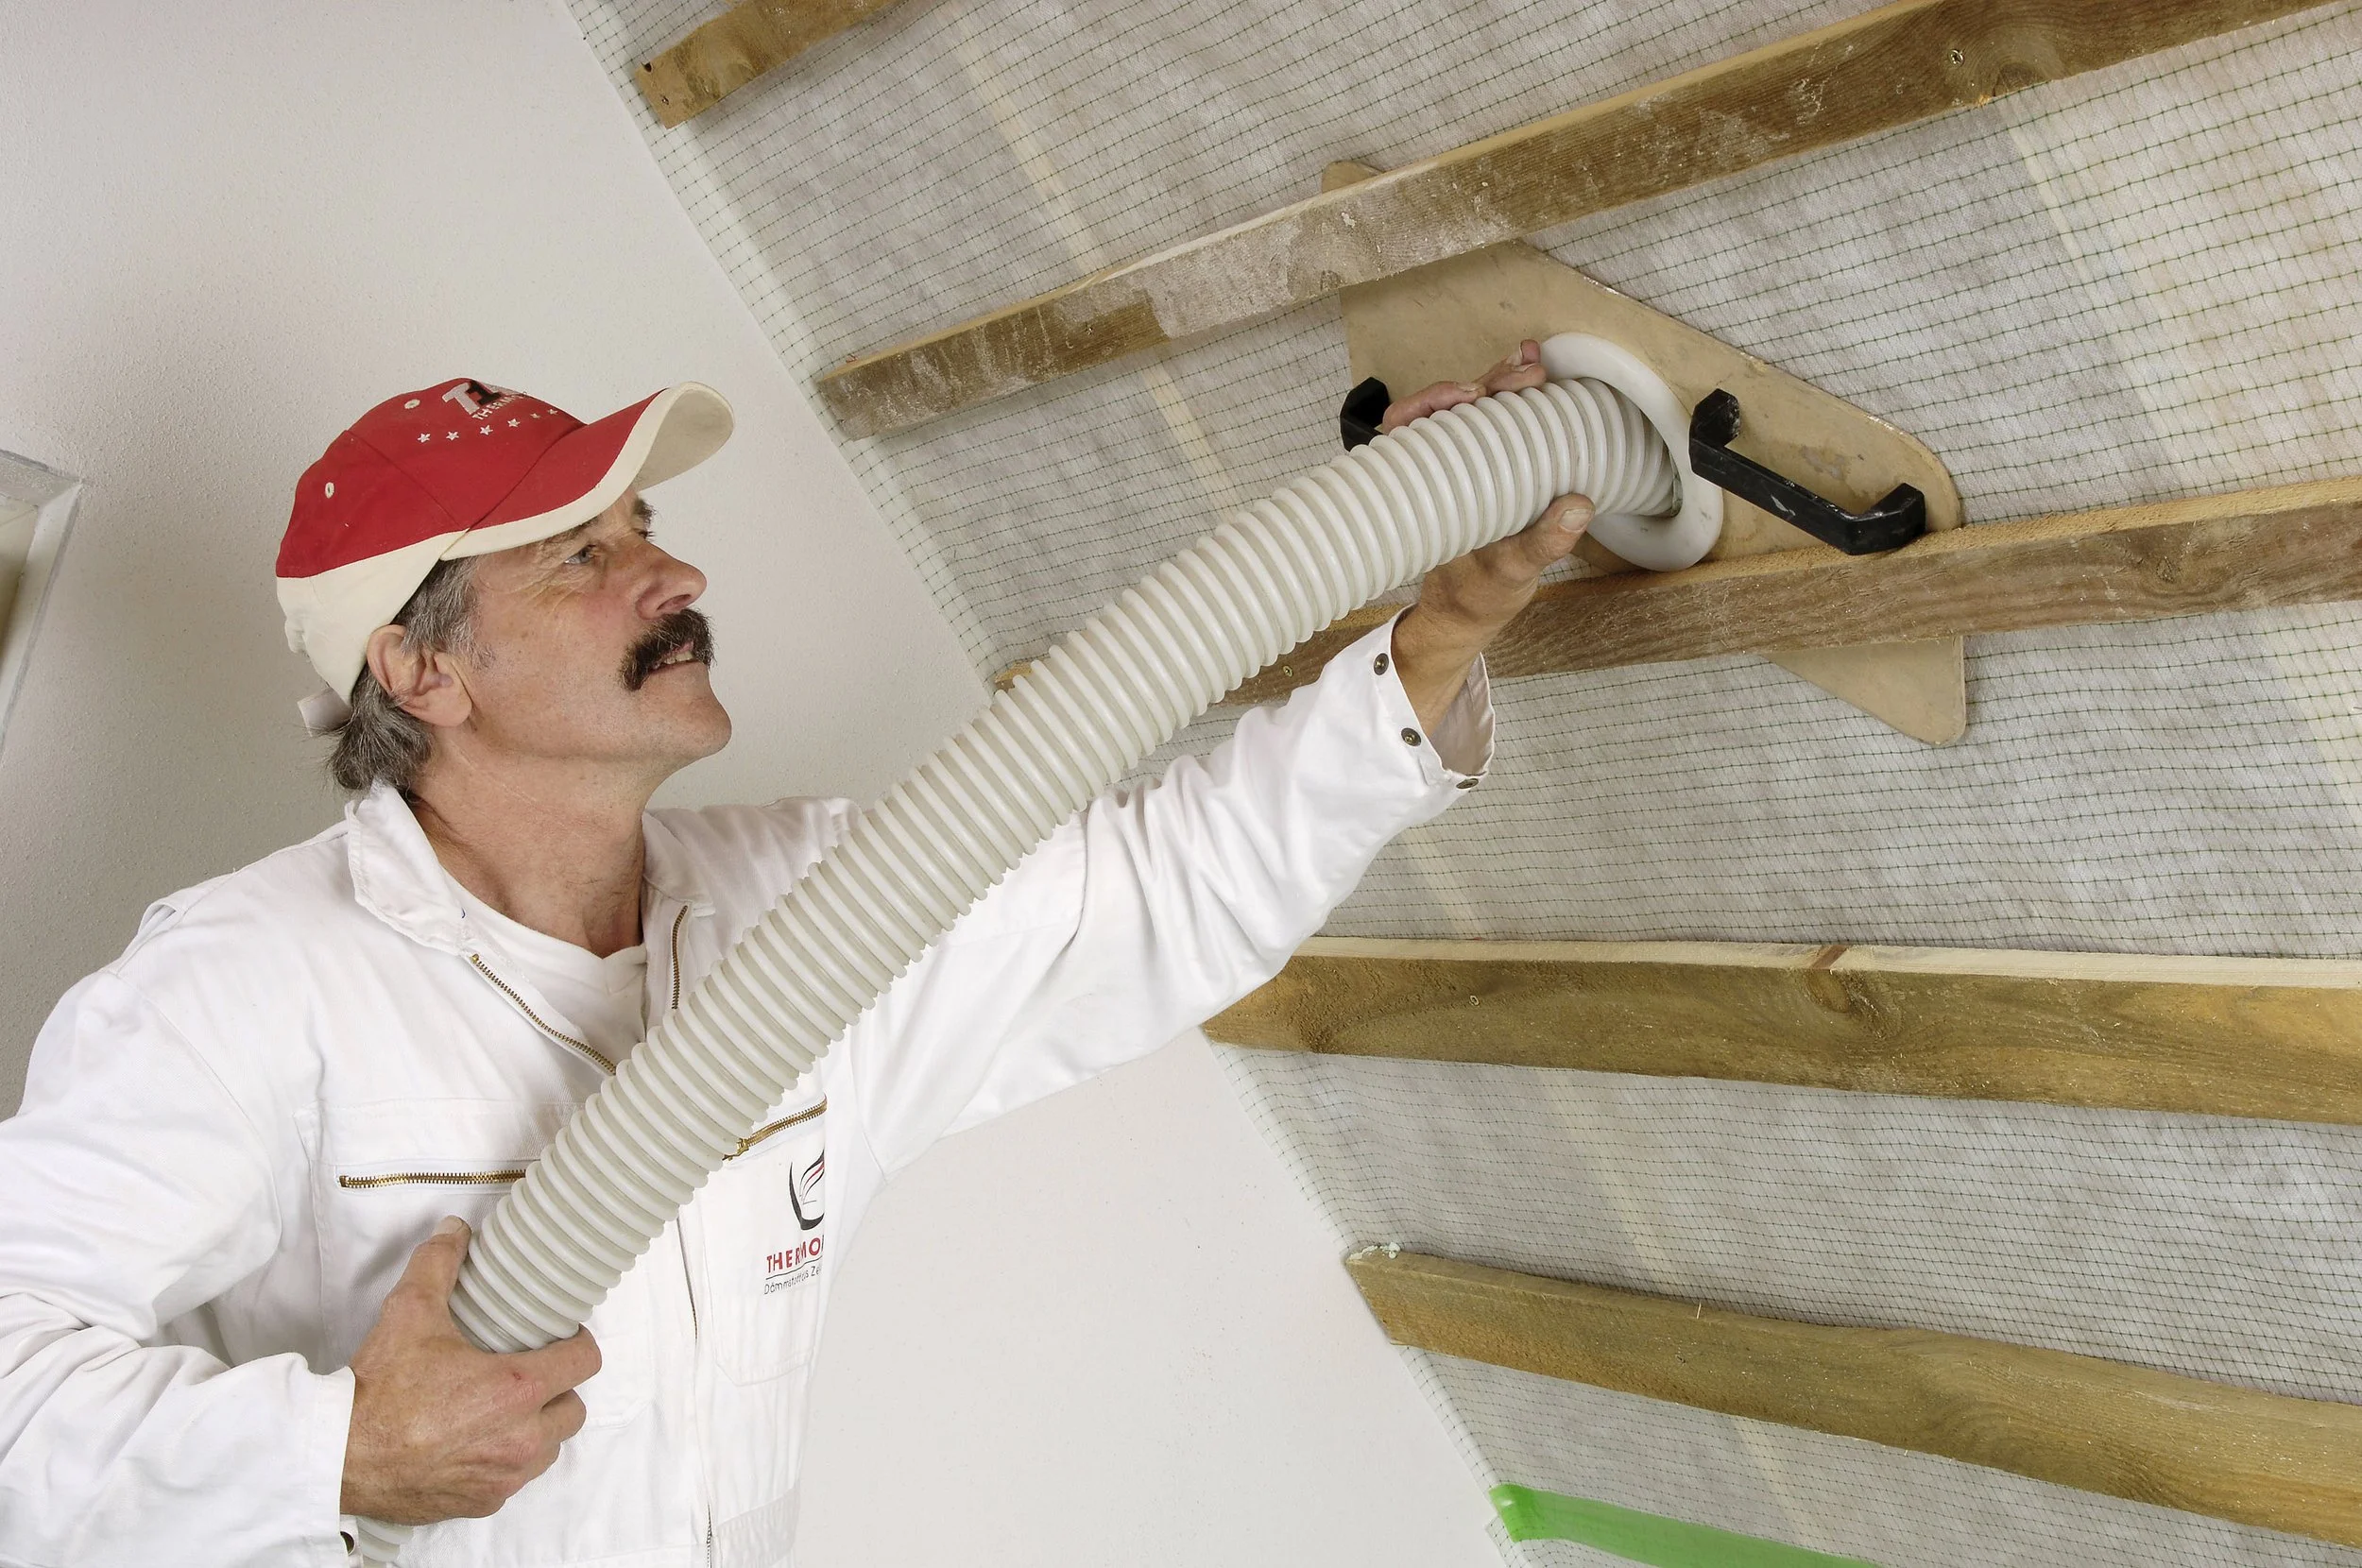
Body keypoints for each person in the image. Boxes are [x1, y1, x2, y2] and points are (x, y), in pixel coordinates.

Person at [0, 343, 1588, 1566]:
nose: (673, 575)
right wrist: (331, 1454)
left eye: (647, 526)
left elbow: (1172, 882)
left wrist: (1441, 620)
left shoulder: (817, 911)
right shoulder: (238, 985)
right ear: (419, 668)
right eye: (577, 554)